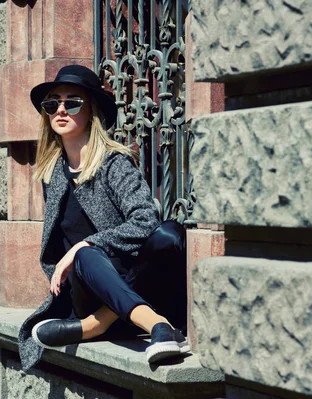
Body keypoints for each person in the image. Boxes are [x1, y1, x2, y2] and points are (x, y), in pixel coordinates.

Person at [18, 64, 189, 371]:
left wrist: (83, 245)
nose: (60, 109)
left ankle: (98, 326)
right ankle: (159, 327)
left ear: (91, 111)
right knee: (86, 257)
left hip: (129, 279)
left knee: (168, 234)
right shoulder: (51, 174)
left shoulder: (114, 164)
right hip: (87, 290)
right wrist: (82, 251)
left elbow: (145, 221)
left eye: (72, 102)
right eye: (52, 103)